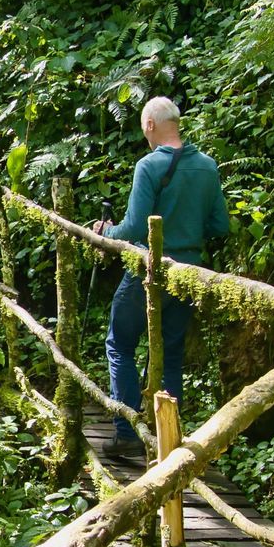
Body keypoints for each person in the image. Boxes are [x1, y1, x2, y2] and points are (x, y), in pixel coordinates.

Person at [94, 97, 230, 459]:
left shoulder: (149, 165)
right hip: (188, 274)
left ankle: (125, 432)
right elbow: (220, 225)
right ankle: (168, 441)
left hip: (149, 270)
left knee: (120, 343)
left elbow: (135, 226)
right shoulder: (207, 166)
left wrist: (107, 232)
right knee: (171, 354)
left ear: (151, 124)